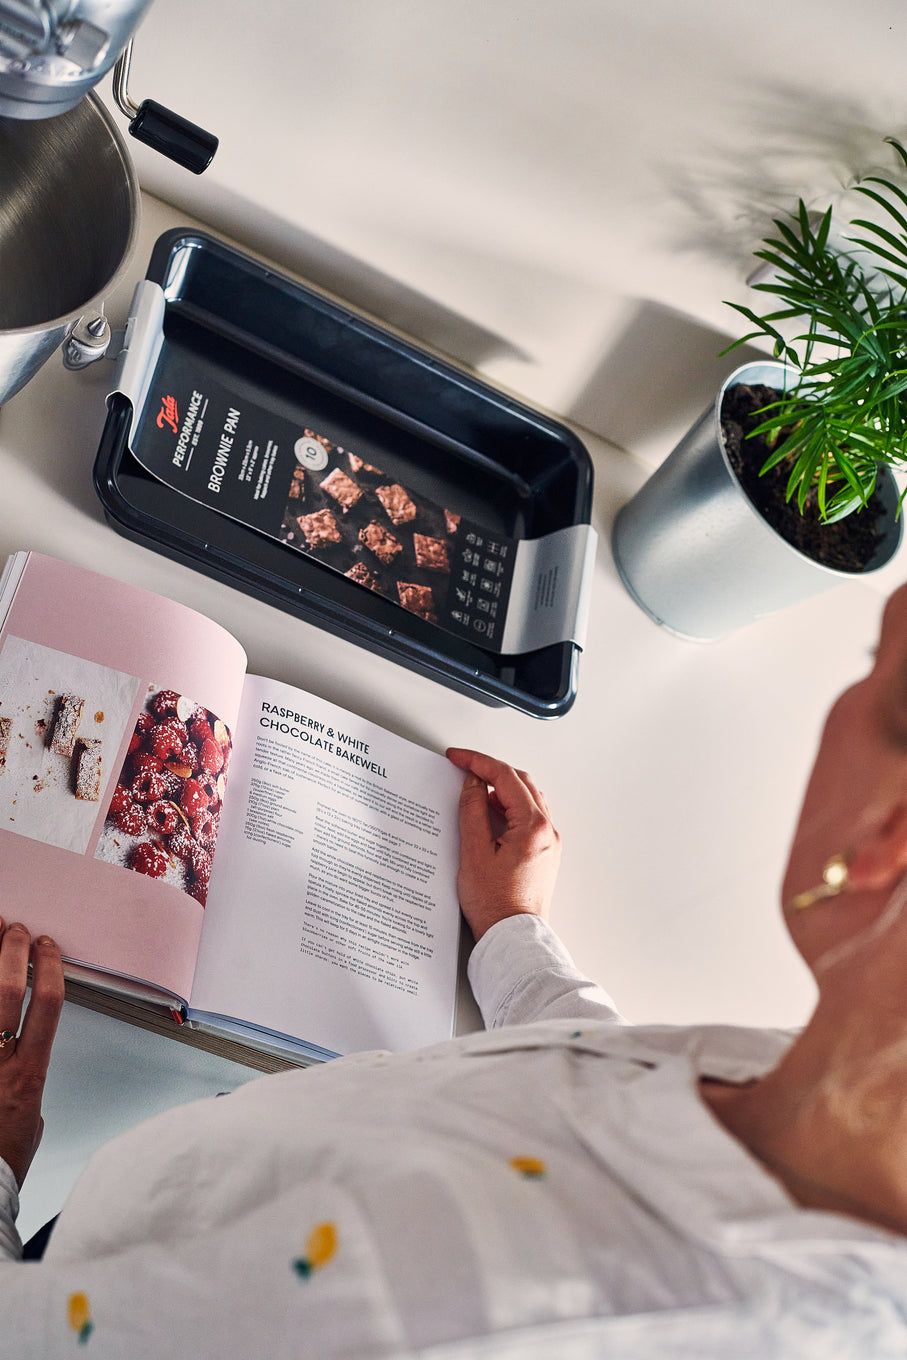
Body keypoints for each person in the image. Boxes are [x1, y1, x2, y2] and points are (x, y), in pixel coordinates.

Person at [5, 592, 907, 1357]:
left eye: (877, 663)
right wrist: (515, 936)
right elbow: (610, 1085)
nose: (850, 687)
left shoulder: (434, 1305)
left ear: (884, 841)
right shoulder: (841, 1085)